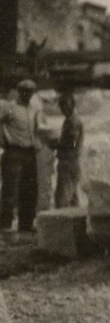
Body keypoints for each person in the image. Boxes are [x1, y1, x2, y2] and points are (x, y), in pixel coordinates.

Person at [0, 80, 44, 232]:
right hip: (14, 152)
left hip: (30, 153)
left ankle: (26, 224)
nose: (26, 94)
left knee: (30, 189)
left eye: (30, 91)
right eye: (23, 91)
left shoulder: (34, 109)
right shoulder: (10, 107)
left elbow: (39, 128)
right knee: (10, 189)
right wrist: (2, 139)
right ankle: (5, 224)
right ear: (18, 91)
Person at [53, 91, 84, 208]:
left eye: (64, 105)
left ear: (72, 105)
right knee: (72, 195)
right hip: (72, 161)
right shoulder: (70, 120)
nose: (62, 109)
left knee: (63, 196)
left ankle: (62, 221)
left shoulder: (73, 121)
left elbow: (74, 142)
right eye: (61, 106)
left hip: (68, 161)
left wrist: (57, 144)